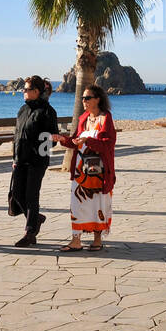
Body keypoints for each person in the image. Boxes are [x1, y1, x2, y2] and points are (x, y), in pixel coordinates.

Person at [54, 84, 117, 252]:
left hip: (100, 172)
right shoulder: (83, 118)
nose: (84, 101)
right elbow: (75, 141)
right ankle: (76, 240)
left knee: (98, 204)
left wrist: (88, 141)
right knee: (77, 203)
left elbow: (109, 145)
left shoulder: (106, 118)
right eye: (82, 98)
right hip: (80, 170)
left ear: (97, 99)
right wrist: (62, 139)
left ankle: (97, 240)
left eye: (87, 98)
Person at [12, 76, 60, 248]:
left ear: (36, 92)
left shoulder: (48, 111)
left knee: (31, 196)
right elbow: (17, 135)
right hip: (20, 160)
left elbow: (53, 139)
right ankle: (37, 218)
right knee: (17, 194)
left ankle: (30, 233)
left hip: (37, 161)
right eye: (23, 89)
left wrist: (38, 149)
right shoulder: (22, 110)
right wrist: (15, 158)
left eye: (26, 89)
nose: (23, 92)